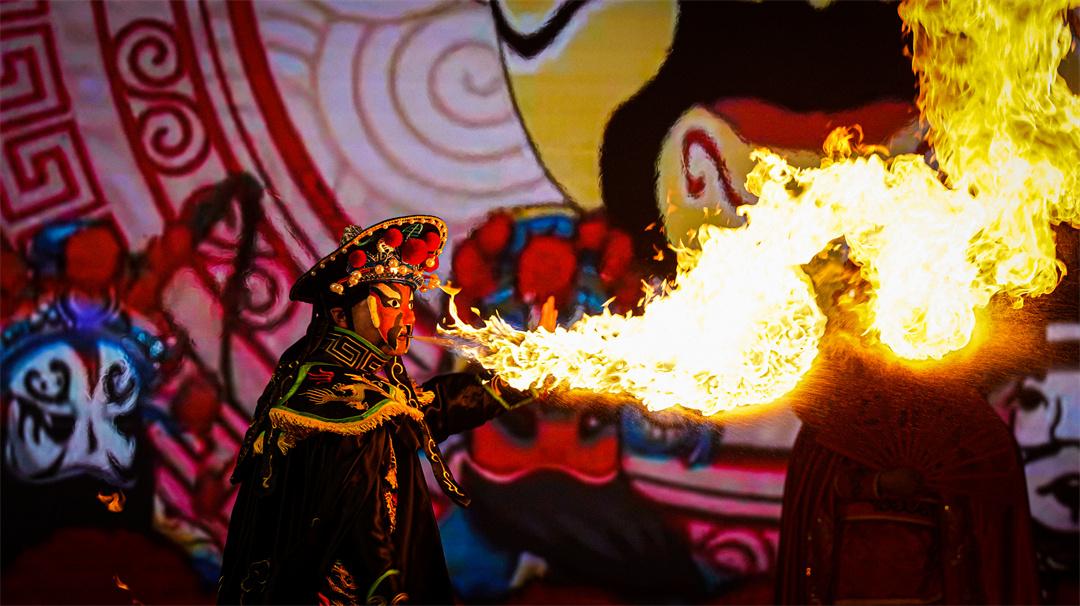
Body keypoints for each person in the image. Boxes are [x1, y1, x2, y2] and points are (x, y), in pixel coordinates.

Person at [218, 215, 533, 605]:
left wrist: (523, 377)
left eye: (408, 303)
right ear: (340, 314)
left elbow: (431, 409)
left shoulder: (362, 390)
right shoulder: (329, 394)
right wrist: (384, 587)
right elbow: (359, 517)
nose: (407, 317)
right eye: (391, 303)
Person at [775, 251, 1040, 605]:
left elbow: (987, 519)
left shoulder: (957, 418)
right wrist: (878, 484)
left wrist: (935, 486)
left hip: (934, 584)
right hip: (849, 584)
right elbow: (816, 493)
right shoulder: (832, 417)